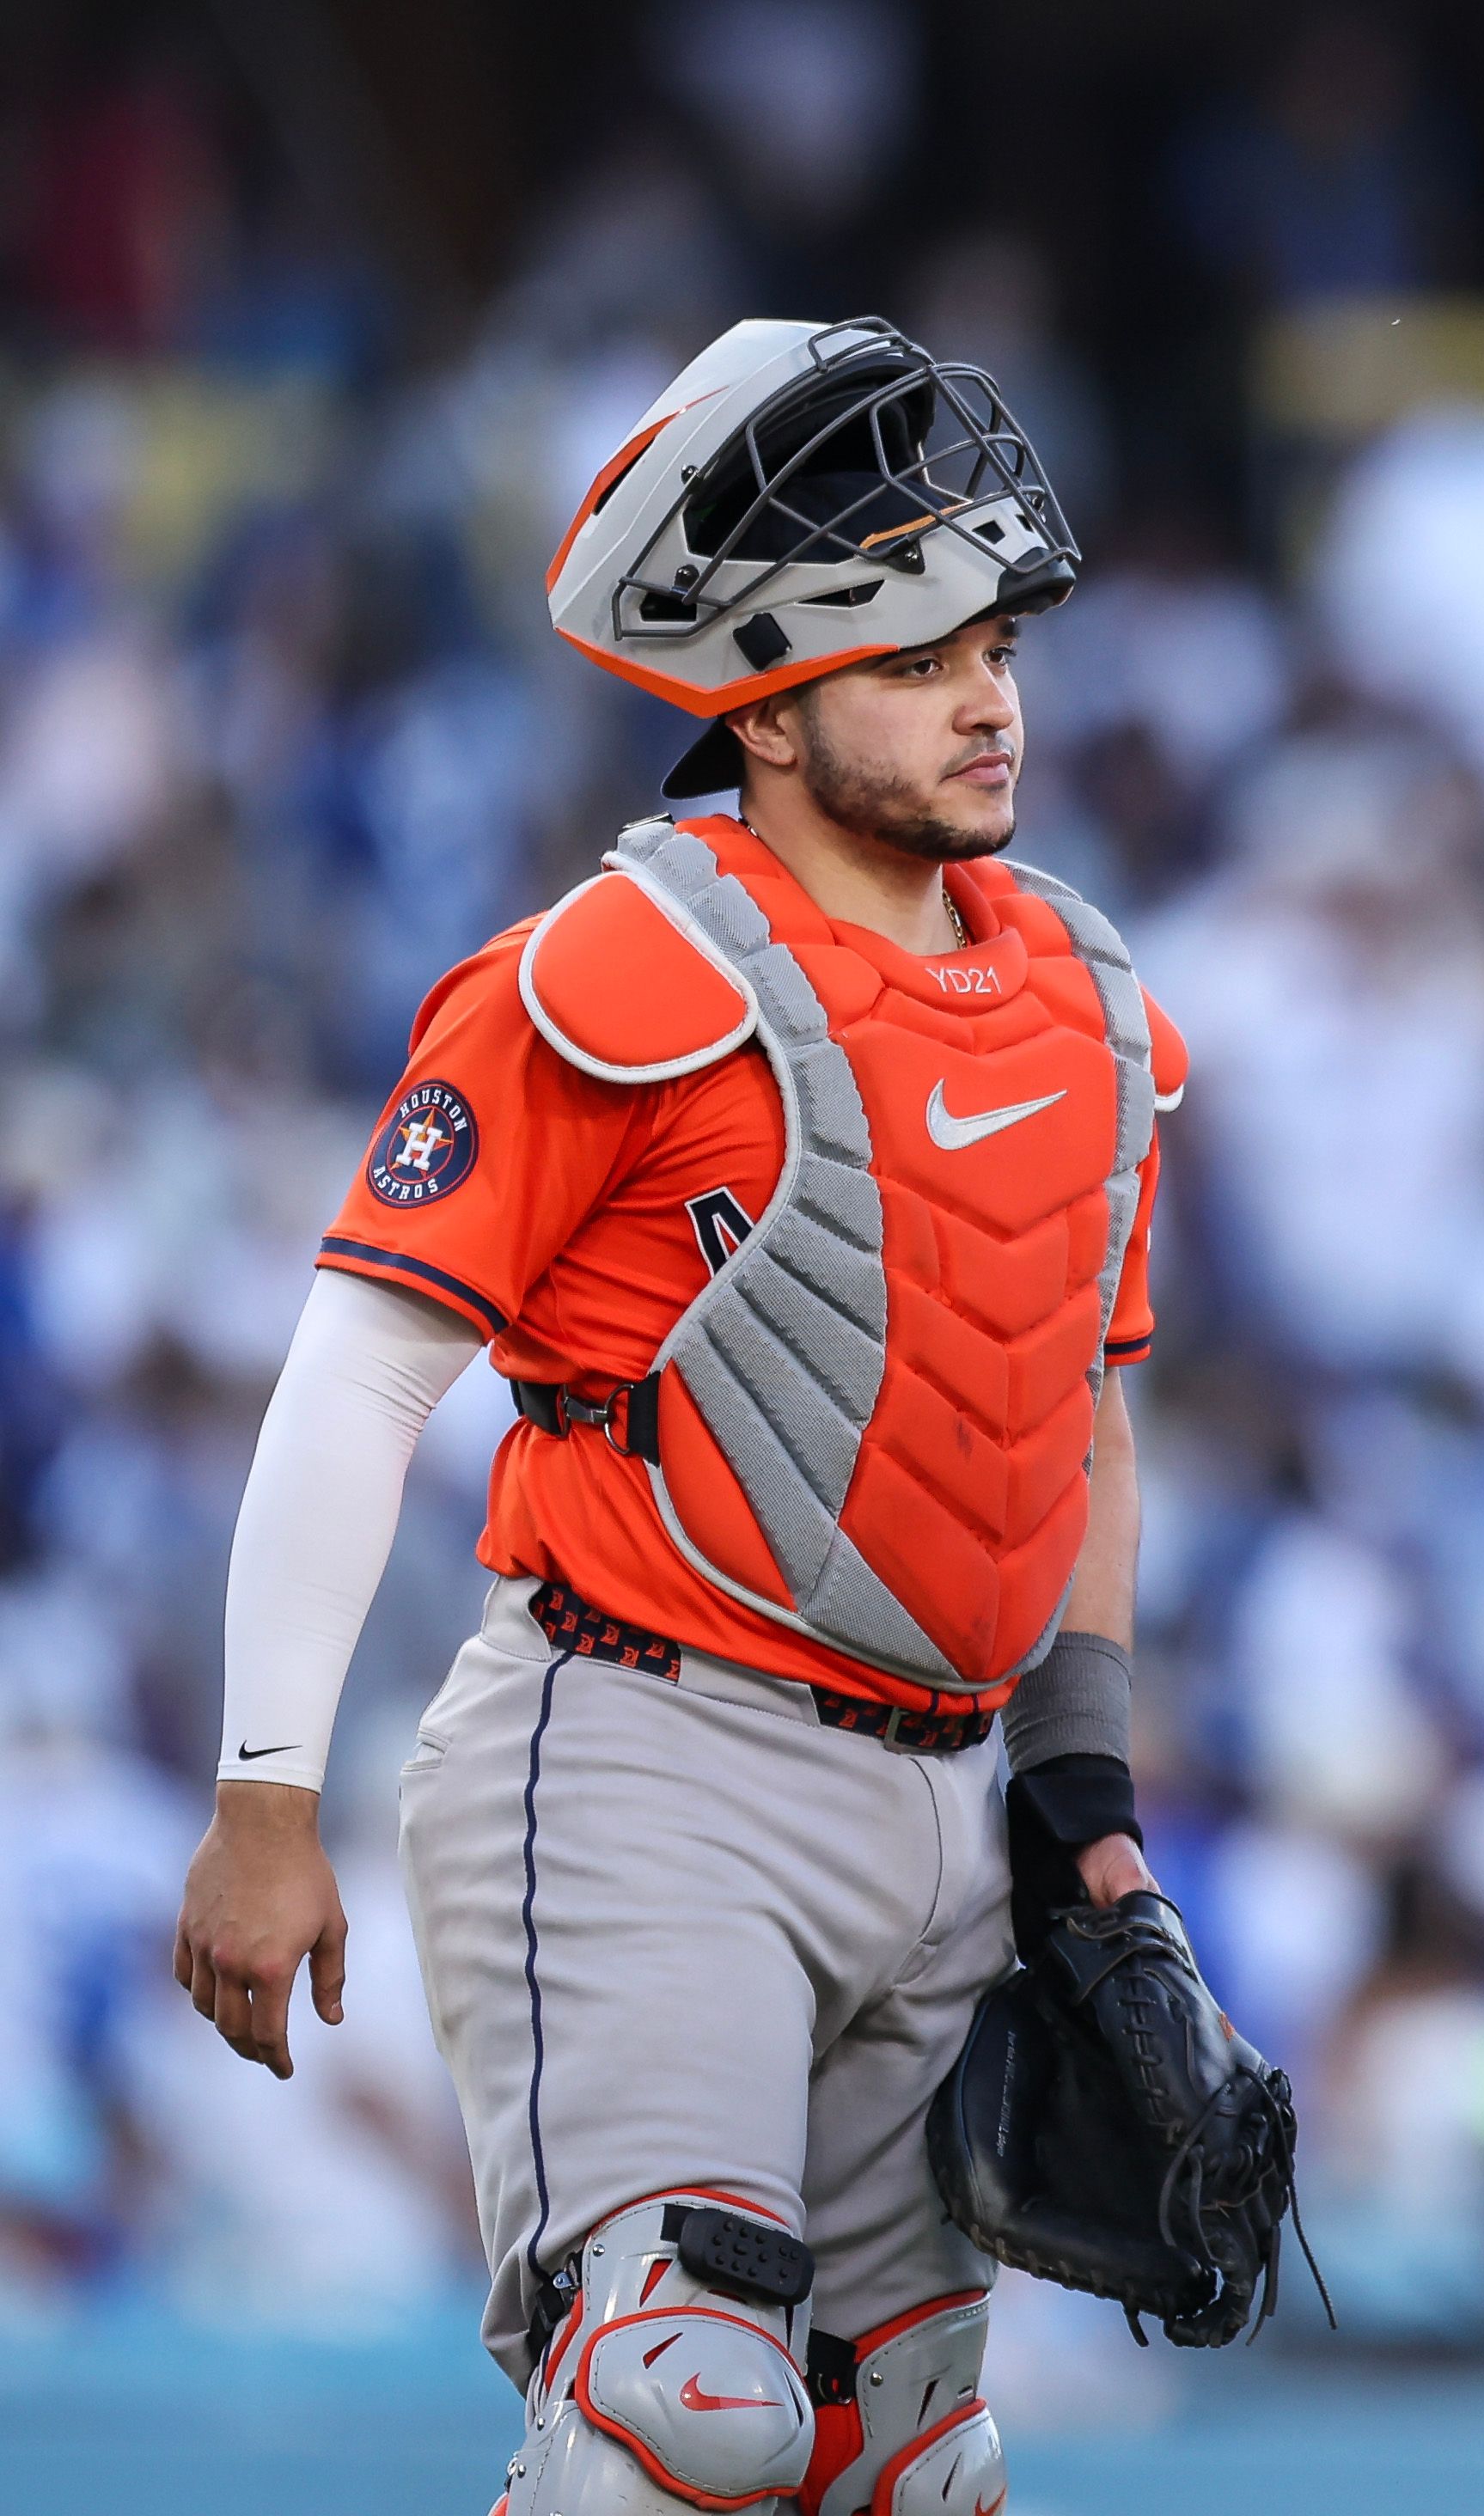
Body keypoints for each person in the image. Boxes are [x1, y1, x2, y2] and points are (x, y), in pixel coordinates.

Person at [168, 317, 1185, 2516]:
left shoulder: (1091, 993)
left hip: (948, 1801)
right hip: (647, 1751)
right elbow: (362, 1370)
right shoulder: (609, 974)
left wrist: (1082, 1787)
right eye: (919, 653)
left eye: (998, 640)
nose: (992, 695)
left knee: (915, 2460)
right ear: (775, 698)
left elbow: (1085, 1417)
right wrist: (266, 1793)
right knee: (680, 2416)